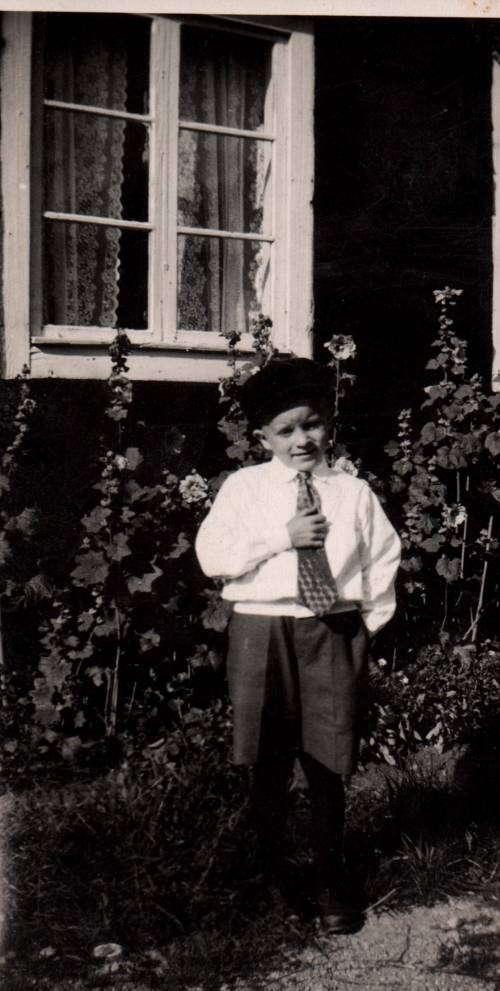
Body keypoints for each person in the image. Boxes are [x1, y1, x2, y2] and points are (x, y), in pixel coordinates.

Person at [195, 355, 401, 934]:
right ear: (263, 437)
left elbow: (383, 558)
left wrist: (364, 625)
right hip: (261, 629)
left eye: (311, 425)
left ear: (328, 425)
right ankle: (276, 877)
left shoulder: (352, 492)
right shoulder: (245, 489)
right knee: (267, 758)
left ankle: (330, 877)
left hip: (330, 631)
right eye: (285, 430)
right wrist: (281, 536)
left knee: (327, 759)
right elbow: (214, 557)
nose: (301, 440)